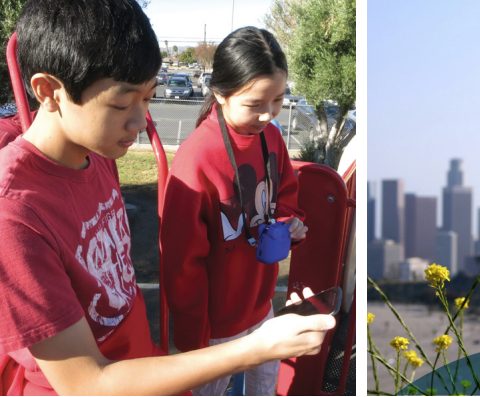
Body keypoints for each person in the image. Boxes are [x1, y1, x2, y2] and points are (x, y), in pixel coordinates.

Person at [0, 1, 334, 396]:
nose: (142, 122)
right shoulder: (15, 213)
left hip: (145, 364)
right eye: (122, 103)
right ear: (49, 91)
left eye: (149, 98)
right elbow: (87, 383)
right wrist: (255, 348)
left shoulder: (97, 151)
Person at [160, 27, 308, 396]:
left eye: (277, 100)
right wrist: (195, 338)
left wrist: (290, 222)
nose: (268, 115)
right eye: (256, 104)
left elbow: (286, 192)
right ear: (220, 94)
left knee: (264, 388)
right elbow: (180, 262)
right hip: (214, 327)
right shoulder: (197, 158)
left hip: (260, 306)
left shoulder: (271, 137)